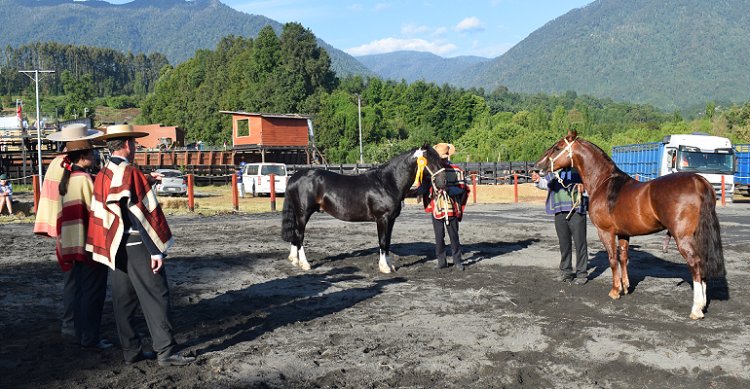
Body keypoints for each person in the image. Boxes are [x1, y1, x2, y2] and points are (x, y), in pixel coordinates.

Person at [86, 124, 195, 366]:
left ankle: (131, 351)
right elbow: (139, 213)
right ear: (127, 144)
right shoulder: (130, 173)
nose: (135, 147)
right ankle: (166, 351)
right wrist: (156, 251)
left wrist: (147, 180)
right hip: (138, 244)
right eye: (133, 143)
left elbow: (115, 205)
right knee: (156, 296)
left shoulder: (102, 174)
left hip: (115, 247)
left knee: (123, 302)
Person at [35, 124, 113, 349]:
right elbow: (95, 210)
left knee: (75, 284)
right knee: (88, 289)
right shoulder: (78, 176)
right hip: (84, 241)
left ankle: (74, 328)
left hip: (67, 237)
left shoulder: (61, 169)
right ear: (83, 151)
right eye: (90, 148)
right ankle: (83, 331)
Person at [531, 167, 589, 285]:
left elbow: (592, 187)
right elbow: (546, 183)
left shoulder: (581, 170)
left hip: (576, 211)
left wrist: (585, 190)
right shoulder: (555, 172)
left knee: (580, 243)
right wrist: (537, 180)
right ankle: (566, 272)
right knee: (564, 243)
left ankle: (581, 273)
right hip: (559, 211)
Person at [417, 143, 469, 271]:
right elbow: (424, 186)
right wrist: (416, 192)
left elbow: (462, 189)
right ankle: (441, 261)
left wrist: (448, 190)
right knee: (439, 236)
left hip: (452, 207)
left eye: (444, 157)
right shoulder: (432, 170)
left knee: (454, 235)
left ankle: (457, 260)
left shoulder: (456, 170)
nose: (443, 159)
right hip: (437, 207)